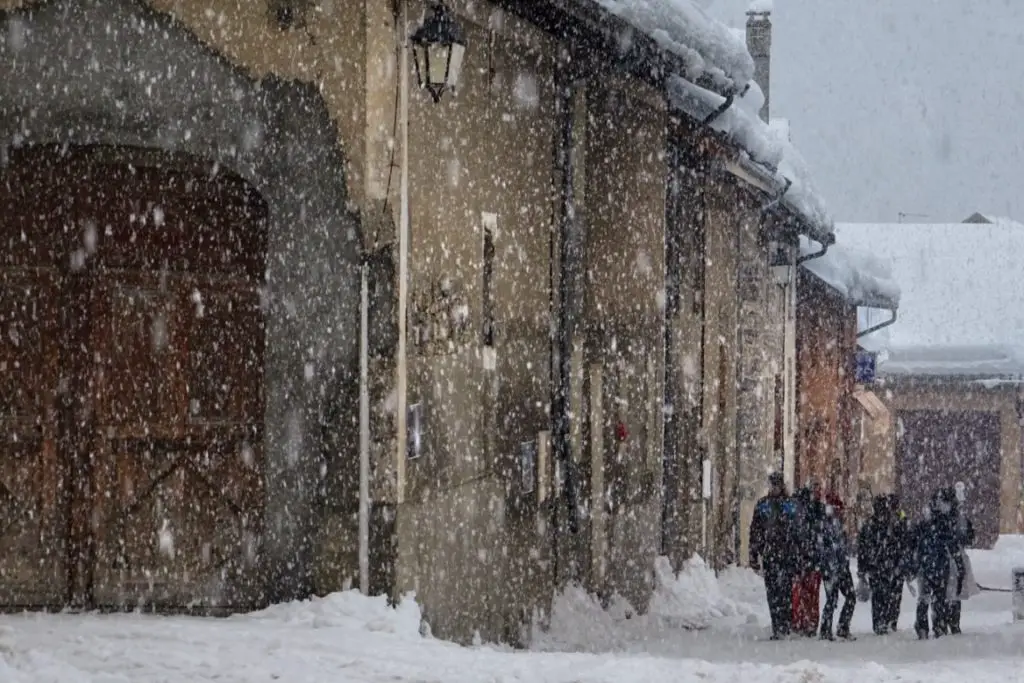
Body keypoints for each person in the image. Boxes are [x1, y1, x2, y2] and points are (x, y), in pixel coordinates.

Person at [750, 472, 799, 640]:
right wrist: (754, 554)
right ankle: (777, 625)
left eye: (776, 485)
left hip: (786, 554)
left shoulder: (790, 505)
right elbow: (755, 530)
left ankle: (784, 624)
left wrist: (798, 553)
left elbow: (797, 531)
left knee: (784, 591)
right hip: (771, 554)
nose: (774, 488)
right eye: (772, 485)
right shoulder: (763, 505)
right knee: (772, 592)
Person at [910, 489, 960, 639]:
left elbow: (914, 545)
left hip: (931, 565)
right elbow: (951, 545)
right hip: (935, 565)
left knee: (929, 598)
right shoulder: (942, 524)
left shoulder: (931, 524)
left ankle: (927, 626)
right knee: (934, 598)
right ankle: (935, 625)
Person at [858, 494, 908, 634]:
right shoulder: (892, 523)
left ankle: (881, 621)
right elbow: (901, 543)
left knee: (880, 595)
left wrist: (863, 567)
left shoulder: (872, 524)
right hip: (888, 564)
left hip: (879, 565)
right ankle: (888, 620)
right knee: (890, 595)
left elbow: (863, 548)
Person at [817, 502, 856, 640]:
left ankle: (839, 627)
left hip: (841, 568)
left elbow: (841, 547)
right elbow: (824, 549)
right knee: (833, 600)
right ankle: (827, 629)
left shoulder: (838, 525)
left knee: (849, 597)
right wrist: (827, 567)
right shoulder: (827, 526)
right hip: (832, 569)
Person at [792, 484, 825, 637]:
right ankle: (810, 623)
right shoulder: (818, 512)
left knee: (800, 594)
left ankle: (801, 622)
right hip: (812, 559)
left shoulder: (797, 514)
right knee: (811, 594)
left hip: (802, 559)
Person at [947, 483, 976, 635]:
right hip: (953, 555)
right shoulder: (957, 520)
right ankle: (953, 622)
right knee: (953, 590)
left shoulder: (956, 519)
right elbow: (967, 537)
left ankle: (950, 621)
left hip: (952, 555)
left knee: (951, 590)